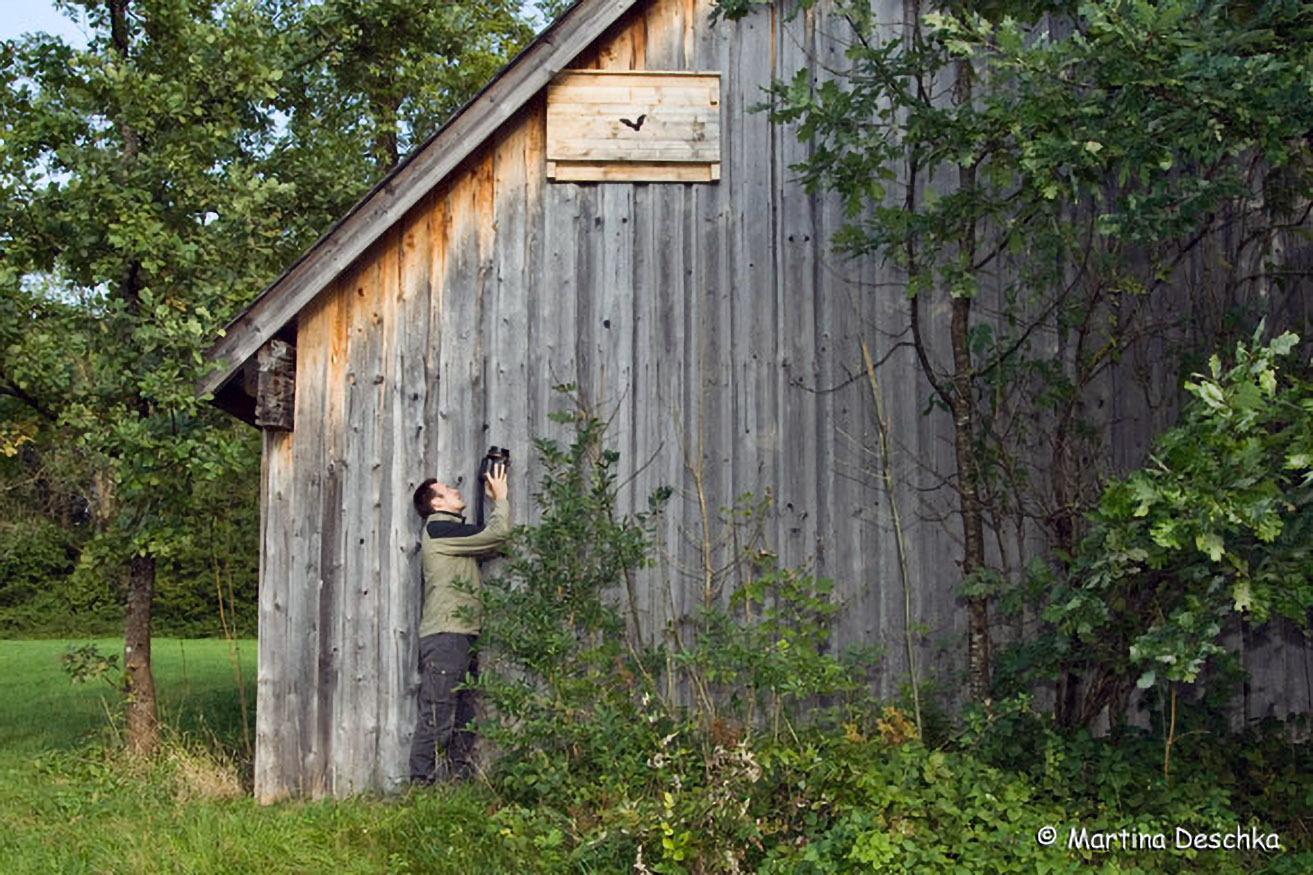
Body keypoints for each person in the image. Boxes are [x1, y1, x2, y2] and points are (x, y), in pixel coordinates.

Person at [408, 461, 510, 785]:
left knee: (465, 714)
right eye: (447, 490)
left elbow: (491, 542)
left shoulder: (453, 533)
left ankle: (457, 783)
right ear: (437, 503)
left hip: (462, 634)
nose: (455, 490)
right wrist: (501, 497)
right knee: (437, 714)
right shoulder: (439, 528)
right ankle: (420, 786)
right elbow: (497, 533)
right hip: (446, 635)